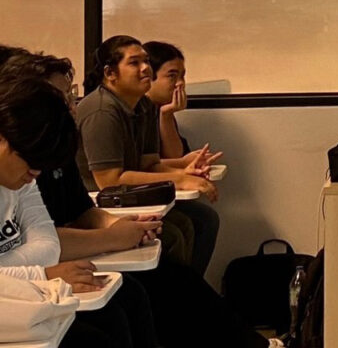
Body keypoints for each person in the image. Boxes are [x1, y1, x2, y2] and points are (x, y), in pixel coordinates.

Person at [2, 50, 283, 348]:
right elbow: (108, 181)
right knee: (136, 292)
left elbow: (74, 216)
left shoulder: (135, 112)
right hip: (43, 277)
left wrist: (121, 226)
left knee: (167, 265)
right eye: (135, 63)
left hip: (56, 259)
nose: (72, 106)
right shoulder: (96, 116)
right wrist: (112, 238)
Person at [0, 71, 149, 348]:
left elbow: (49, 245)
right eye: (30, 160)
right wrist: (41, 274)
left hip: (22, 299)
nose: (35, 173)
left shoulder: (21, 177)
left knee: (125, 300)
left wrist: (21, 271)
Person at [76, 35, 220, 276]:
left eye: (146, 61)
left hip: (127, 196)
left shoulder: (142, 106)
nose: (145, 68)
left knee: (201, 219)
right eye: (134, 63)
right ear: (110, 73)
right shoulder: (102, 110)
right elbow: (109, 181)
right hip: (97, 203)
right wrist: (180, 179)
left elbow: (149, 164)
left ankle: (190, 293)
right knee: (172, 234)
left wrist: (183, 173)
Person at [141, 41, 193, 159]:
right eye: (172, 76)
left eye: (182, 76)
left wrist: (167, 114)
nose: (180, 83)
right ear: (148, 76)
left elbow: (175, 156)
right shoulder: (136, 110)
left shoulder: (159, 108)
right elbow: (145, 164)